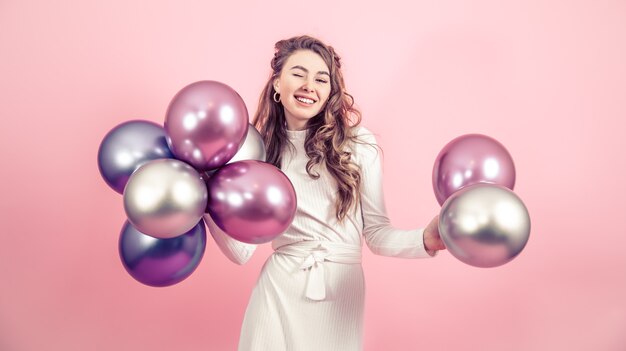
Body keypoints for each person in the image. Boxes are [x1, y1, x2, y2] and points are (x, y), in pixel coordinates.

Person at [204, 35, 446, 351]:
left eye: (321, 78)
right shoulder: (258, 152)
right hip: (277, 289)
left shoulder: (358, 144)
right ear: (277, 83)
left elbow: (376, 234)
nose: (309, 85)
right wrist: (206, 196)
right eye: (298, 73)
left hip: (339, 291)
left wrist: (424, 239)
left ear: (330, 91)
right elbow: (241, 252)